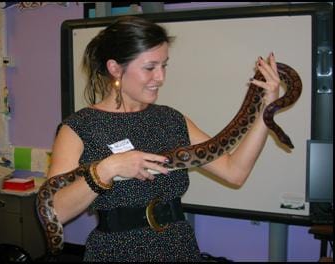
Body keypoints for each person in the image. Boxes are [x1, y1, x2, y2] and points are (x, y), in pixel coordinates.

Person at [48, 16, 280, 262]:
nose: (160, 77)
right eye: (150, 67)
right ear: (115, 68)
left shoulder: (172, 120)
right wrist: (107, 169)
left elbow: (235, 172)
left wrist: (268, 107)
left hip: (178, 247)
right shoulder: (80, 127)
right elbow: (55, 211)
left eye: (164, 65)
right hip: (117, 252)